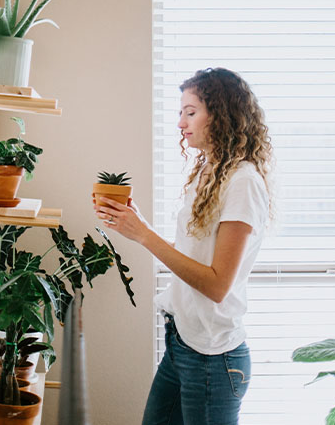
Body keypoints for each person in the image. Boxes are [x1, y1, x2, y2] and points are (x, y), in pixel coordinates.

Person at [94, 67, 273, 425]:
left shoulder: (242, 182)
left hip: (212, 357)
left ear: (222, 116)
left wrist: (143, 236)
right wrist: (139, 225)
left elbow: (217, 284)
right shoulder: (210, 171)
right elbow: (196, 251)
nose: (180, 123)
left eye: (190, 112)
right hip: (182, 343)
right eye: (180, 113)